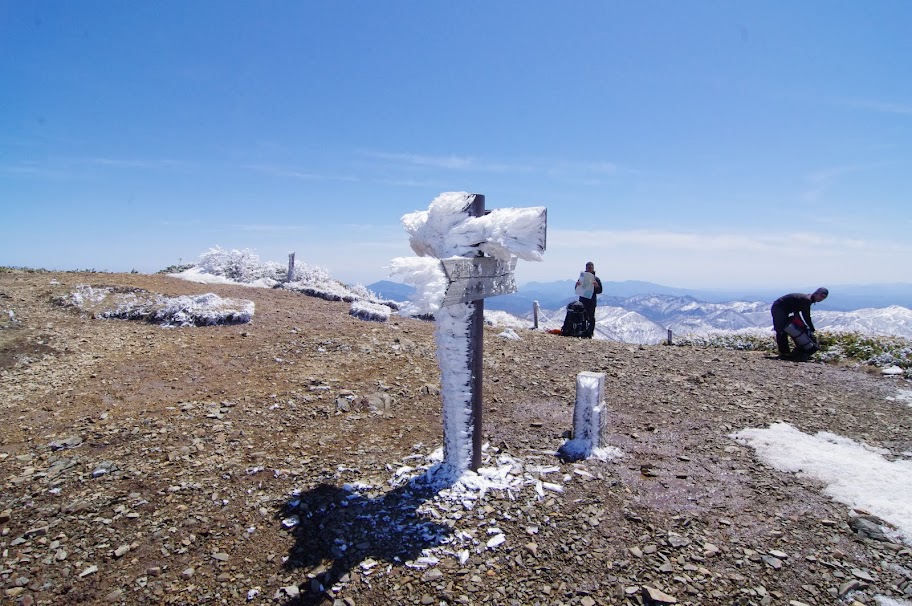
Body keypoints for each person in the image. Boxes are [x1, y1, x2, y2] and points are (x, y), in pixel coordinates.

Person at [770, 287, 828, 359]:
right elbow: (806, 316)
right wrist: (811, 328)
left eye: (824, 298)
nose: (822, 299)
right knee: (780, 330)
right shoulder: (807, 300)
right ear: (816, 293)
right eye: (821, 296)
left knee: (788, 329)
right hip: (779, 307)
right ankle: (784, 353)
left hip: (784, 309)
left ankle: (788, 352)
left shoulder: (808, 299)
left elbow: (797, 311)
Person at [575, 261, 603, 338]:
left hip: (591, 301)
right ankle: (583, 332)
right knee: (582, 316)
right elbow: (577, 289)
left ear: (593, 269)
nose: (589, 269)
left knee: (591, 318)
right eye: (588, 268)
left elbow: (600, 291)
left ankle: (590, 333)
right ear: (586, 268)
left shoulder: (596, 279)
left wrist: (596, 286)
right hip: (582, 300)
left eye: (591, 268)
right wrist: (577, 285)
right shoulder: (582, 278)